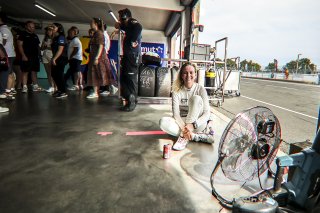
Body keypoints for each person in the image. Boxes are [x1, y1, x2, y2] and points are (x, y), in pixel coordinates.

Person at [159, 62, 214, 151]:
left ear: (195, 75)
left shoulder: (201, 89)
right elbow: (176, 115)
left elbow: (207, 113)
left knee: (195, 99)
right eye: (185, 73)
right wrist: (185, 129)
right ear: (181, 75)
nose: (188, 75)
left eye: (191, 72)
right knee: (162, 122)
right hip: (182, 125)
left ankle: (183, 137)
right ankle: (195, 136)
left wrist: (193, 125)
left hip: (197, 124)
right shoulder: (176, 91)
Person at [115, 8, 142, 111]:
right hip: (128, 57)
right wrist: (119, 27)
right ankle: (129, 99)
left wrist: (133, 40)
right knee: (123, 78)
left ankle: (132, 102)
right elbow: (125, 27)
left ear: (124, 17)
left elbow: (139, 27)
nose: (119, 19)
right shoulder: (128, 26)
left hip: (132, 57)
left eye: (120, 17)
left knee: (130, 80)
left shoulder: (132, 22)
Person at [86, 18, 113, 99]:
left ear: (96, 24)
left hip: (99, 57)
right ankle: (96, 91)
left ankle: (97, 91)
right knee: (96, 74)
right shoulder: (96, 33)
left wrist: (97, 57)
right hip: (95, 56)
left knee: (98, 73)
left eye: (92, 22)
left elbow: (101, 46)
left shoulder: (99, 34)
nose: (91, 24)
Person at [17, 21, 42, 93]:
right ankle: (24, 87)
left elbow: (38, 46)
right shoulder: (22, 34)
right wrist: (23, 55)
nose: (32, 28)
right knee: (25, 72)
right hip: (26, 56)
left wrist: (39, 55)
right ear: (26, 27)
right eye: (30, 27)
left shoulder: (35, 35)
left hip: (35, 57)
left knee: (34, 71)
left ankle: (35, 86)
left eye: (33, 27)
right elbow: (19, 45)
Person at [0, 12, 16, 100]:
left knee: (7, 73)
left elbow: (2, 43)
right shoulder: (3, 29)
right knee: (9, 72)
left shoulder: (3, 30)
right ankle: (10, 91)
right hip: (8, 54)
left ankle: (7, 92)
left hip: (8, 54)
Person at [51, 23, 68, 98]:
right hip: (56, 57)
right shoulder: (55, 37)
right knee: (54, 74)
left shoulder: (61, 37)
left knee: (59, 75)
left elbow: (60, 50)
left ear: (59, 28)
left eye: (54, 27)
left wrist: (54, 59)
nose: (52, 28)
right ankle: (60, 90)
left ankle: (63, 91)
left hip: (61, 58)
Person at [66, 26, 82, 91]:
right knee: (73, 71)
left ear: (75, 33)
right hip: (74, 58)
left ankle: (76, 85)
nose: (69, 34)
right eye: (69, 33)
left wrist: (71, 56)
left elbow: (76, 49)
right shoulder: (73, 40)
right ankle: (77, 85)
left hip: (75, 58)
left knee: (76, 72)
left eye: (70, 33)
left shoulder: (76, 40)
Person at [40, 25, 55, 93]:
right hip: (45, 55)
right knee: (48, 73)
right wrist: (44, 46)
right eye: (47, 30)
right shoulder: (45, 38)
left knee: (52, 73)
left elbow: (56, 49)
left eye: (50, 30)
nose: (48, 32)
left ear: (53, 31)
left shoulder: (54, 39)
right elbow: (41, 49)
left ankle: (55, 86)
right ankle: (51, 86)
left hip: (51, 56)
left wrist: (48, 47)